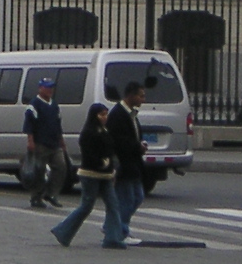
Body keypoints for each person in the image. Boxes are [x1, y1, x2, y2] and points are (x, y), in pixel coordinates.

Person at [52, 104, 125, 248]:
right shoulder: (89, 132)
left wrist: (111, 168)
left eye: (105, 114)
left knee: (113, 204)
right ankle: (63, 231)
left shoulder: (104, 130)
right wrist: (102, 163)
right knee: (86, 206)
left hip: (105, 175)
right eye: (101, 114)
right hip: (90, 174)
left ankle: (113, 238)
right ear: (94, 115)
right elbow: (90, 155)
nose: (104, 117)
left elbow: (111, 150)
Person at [107, 80, 149, 235]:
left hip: (134, 163)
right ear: (131, 95)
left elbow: (132, 136)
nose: (143, 100)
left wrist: (140, 145)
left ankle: (114, 227)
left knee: (137, 197)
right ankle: (119, 230)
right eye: (141, 96)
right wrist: (136, 146)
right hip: (123, 164)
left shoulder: (131, 114)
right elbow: (119, 141)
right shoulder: (118, 114)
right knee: (126, 200)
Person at [23, 76, 67, 209]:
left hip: (54, 143)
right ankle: (36, 197)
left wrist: (61, 140)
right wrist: (30, 141)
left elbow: (58, 124)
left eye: (51, 87)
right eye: (47, 87)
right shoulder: (34, 105)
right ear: (40, 88)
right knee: (39, 171)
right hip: (40, 143)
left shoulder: (54, 104)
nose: (50, 90)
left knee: (61, 167)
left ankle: (51, 193)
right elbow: (29, 124)